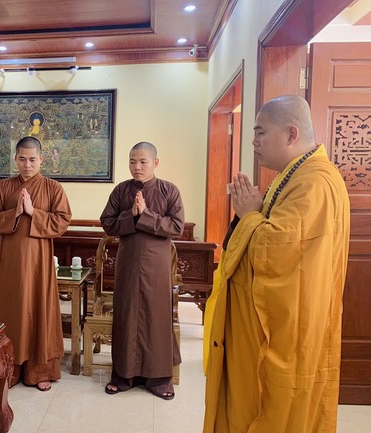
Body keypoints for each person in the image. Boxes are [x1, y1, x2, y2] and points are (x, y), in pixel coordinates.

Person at [203, 95, 350, 433]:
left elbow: (278, 253)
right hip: (259, 329)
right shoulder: (292, 176)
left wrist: (249, 215)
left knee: (273, 411)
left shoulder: (315, 183)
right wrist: (251, 214)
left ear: (291, 134)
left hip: (287, 336)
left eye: (260, 132)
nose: (253, 142)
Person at [0, 136, 72, 392]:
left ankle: (40, 370)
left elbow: (63, 221)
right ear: (15, 159)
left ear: (41, 159)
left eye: (32, 159)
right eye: (22, 159)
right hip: (10, 263)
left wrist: (34, 212)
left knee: (39, 311)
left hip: (39, 265)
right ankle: (8, 370)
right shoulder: (2, 188)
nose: (27, 164)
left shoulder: (53, 188)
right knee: (11, 312)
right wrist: (15, 212)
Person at [99, 141, 185, 399]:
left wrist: (145, 215)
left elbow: (176, 227)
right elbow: (107, 223)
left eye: (143, 162)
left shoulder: (169, 190)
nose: (137, 167)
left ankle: (159, 379)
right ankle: (123, 375)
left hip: (157, 266)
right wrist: (131, 215)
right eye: (132, 161)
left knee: (156, 317)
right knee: (126, 315)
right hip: (128, 263)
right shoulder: (121, 190)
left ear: (155, 163)